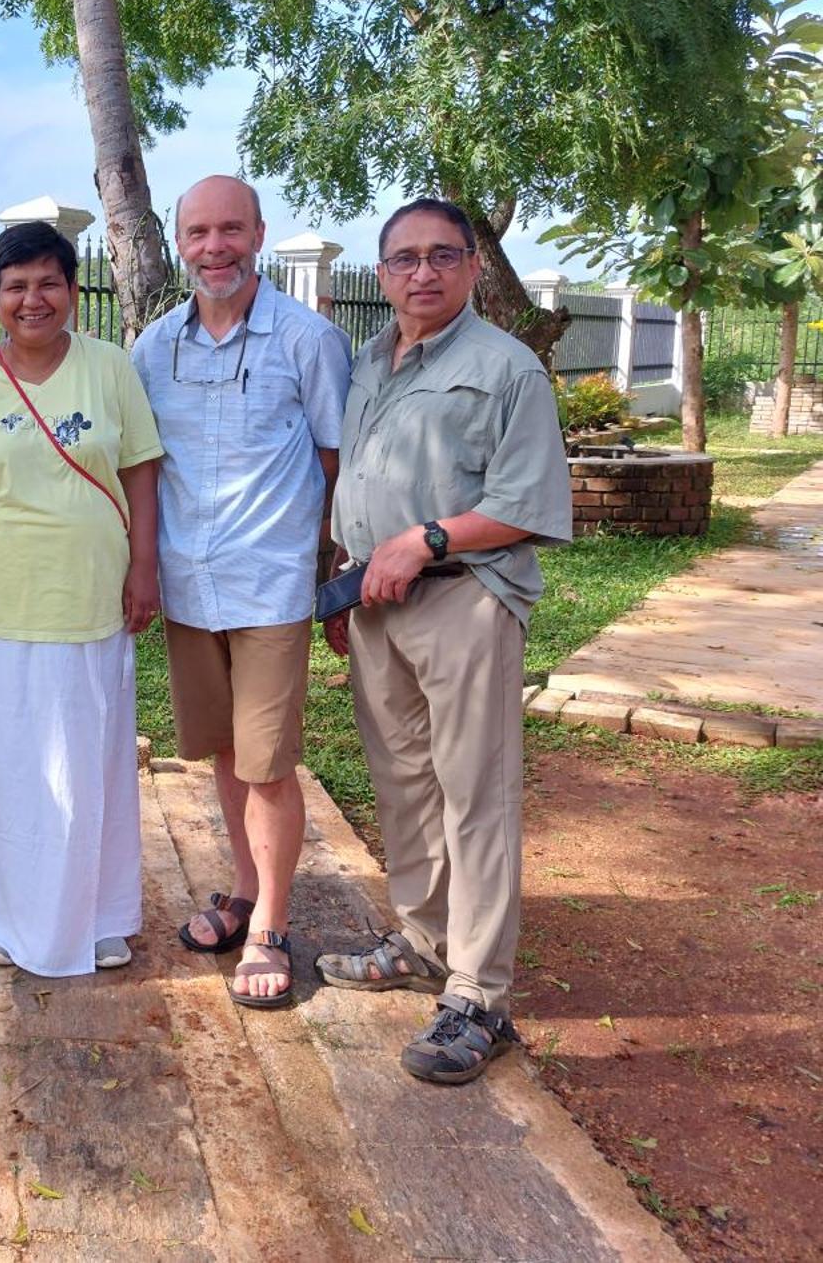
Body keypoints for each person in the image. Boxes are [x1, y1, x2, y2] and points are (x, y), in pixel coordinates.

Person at [317, 197, 572, 1084]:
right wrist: (352, 578)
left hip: (464, 600)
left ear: (470, 266)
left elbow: (525, 503)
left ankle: (478, 997)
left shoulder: (506, 370)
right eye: (403, 259)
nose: (421, 273)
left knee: (476, 797)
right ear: (381, 274)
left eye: (440, 256)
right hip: (377, 605)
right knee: (405, 785)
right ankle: (423, 943)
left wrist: (423, 541)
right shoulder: (365, 364)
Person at [130, 175, 351, 1010]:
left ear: (259, 234)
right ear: (181, 243)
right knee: (223, 754)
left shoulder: (307, 339)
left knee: (267, 766)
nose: (214, 247)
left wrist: (335, 570)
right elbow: (146, 469)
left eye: (231, 229)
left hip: (271, 588)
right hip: (190, 588)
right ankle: (246, 889)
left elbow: (336, 464)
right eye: (198, 233)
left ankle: (271, 927)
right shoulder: (155, 348)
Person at [0, 219, 163, 977]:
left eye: (47, 282)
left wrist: (143, 567)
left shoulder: (110, 370)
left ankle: (96, 915)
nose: (33, 299)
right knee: (4, 767)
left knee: (90, 765)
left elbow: (141, 472)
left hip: (92, 601)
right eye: (16, 287)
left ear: (72, 288)